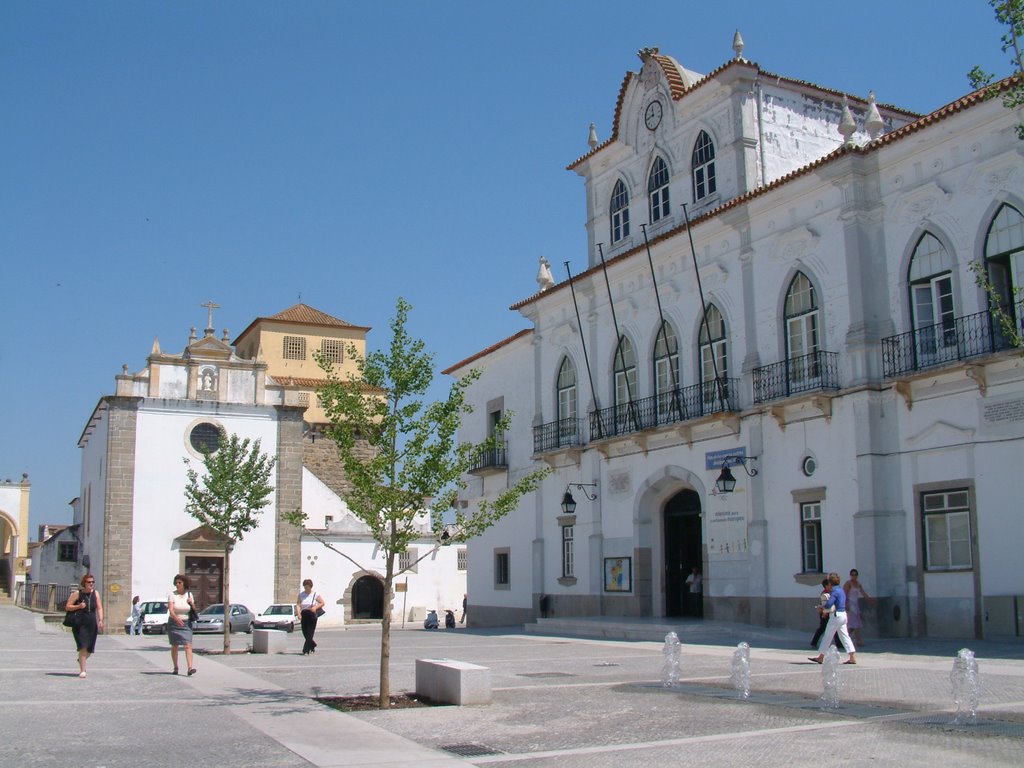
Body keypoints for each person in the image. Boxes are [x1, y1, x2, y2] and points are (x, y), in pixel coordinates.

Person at [809, 572, 857, 665]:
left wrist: (822, 607)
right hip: (843, 615)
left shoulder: (834, 592)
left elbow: (829, 604)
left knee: (827, 636)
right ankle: (852, 657)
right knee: (845, 636)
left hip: (836, 616)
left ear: (830, 583)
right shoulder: (841, 590)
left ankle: (821, 657)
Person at [66, 573, 103, 678]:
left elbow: (99, 607)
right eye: (89, 582)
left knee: (90, 649)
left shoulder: (96, 594)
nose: (91, 584)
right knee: (83, 646)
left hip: (91, 624)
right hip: (80, 624)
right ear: (84, 583)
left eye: (92, 582)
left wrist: (100, 620)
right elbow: (68, 607)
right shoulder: (77, 594)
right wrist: (79, 606)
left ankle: (81, 659)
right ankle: (83, 671)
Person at [167, 574, 197, 676]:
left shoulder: (189, 594)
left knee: (188, 645)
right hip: (174, 623)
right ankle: (176, 667)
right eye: (176, 582)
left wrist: (191, 603)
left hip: (186, 623)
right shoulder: (172, 594)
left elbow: (194, 609)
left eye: (179, 582)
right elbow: (170, 609)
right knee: (175, 645)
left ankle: (190, 668)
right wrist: (176, 618)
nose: (177, 584)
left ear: (184, 583)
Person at [810, 578, 846, 651]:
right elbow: (825, 604)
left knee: (833, 628)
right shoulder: (824, 594)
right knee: (823, 628)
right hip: (825, 613)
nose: (830, 586)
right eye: (829, 585)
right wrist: (824, 612)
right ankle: (814, 642)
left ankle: (839, 644)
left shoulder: (831, 592)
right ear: (825, 586)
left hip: (830, 613)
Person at [843, 568, 873, 647]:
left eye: (855, 575)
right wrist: (846, 604)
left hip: (856, 605)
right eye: (852, 575)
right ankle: (858, 640)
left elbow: (863, 592)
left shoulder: (858, 584)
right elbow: (844, 594)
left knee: (855, 624)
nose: (854, 576)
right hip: (850, 604)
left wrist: (869, 599)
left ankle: (847, 640)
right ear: (850, 575)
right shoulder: (848, 583)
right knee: (853, 623)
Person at [296, 579, 325, 655]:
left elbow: (322, 603)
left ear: (310, 586)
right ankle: (312, 644)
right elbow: (298, 604)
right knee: (304, 631)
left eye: (307, 586)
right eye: (305, 587)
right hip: (304, 614)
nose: (306, 588)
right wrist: (299, 614)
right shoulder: (301, 595)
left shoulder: (315, 594)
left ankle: (306, 650)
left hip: (312, 614)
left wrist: (315, 608)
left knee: (310, 632)